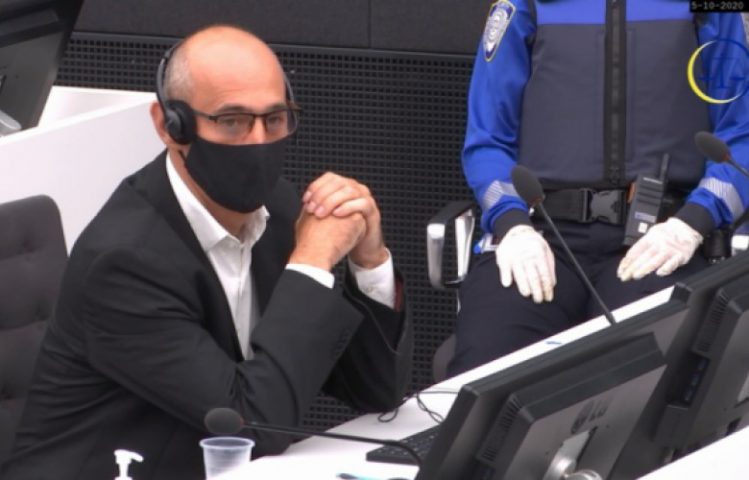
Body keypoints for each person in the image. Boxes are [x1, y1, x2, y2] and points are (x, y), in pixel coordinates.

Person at [2, 24, 412, 479]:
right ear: (169, 126)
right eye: (232, 121)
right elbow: (254, 423)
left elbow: (376, 391)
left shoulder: (276, 208)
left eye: (274, 119)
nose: (259, 142)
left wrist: (369, 262)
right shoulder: (124, 264)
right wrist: (311, 263)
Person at [448, 1, 749, 376]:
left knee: (647, 375)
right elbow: (487, 142)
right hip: (542, 235)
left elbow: (740, 137)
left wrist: (692, 222)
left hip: (657, 240)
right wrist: (512, 225)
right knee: (485, 368)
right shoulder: (524, 4)